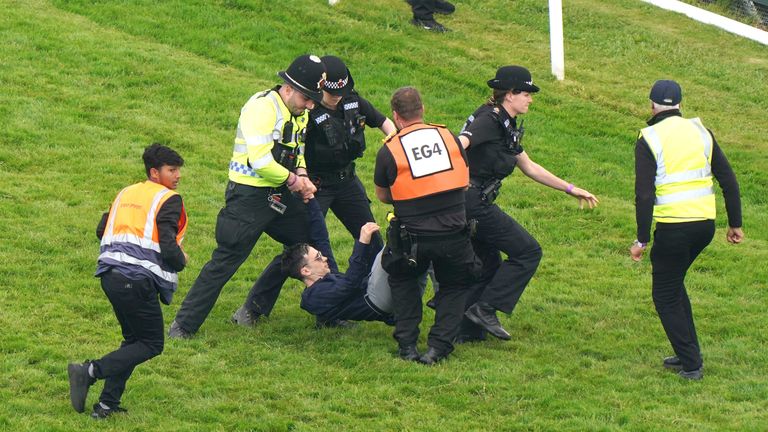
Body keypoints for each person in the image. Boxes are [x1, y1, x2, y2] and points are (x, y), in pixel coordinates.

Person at [168, 55, 323, 338]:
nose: (311, 105)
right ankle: (183, 326)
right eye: (307, 98)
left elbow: (297, 148)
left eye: (314, 100)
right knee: (226, 260)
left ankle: (314, 312)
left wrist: (301, 173)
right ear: (288, 88)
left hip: (279, 193)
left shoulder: (300, 110)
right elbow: (260, 161)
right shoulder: (261, 108)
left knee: (308, 247)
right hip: (248, 198)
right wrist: (295, 181)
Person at [457, 66, 599, 343]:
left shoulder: (504, 123)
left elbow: (529, 167)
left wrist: (570, 189)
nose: (531, 99)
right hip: (472, 202)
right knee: (528, 251)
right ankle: (485, 310)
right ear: (510, 95)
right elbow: (456, 145)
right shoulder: (489, 120)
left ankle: (466, 330)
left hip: (472, 201)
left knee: (488, 265)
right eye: (527, 93)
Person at [630, 79, 743, 380]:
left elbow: (644, 195)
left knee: (664, 295)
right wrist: (735, 224)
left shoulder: (649, 138)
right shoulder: (701, 131)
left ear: (652, 105)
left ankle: (692, 364)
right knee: (674, 284)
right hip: (704, 227)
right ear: (680, 104)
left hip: (674, 229)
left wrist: (641, 239)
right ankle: (686, 354)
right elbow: (729, 181)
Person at [68, 144, 188, 419]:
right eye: (172, 170)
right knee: (151, 344)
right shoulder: (168, 198)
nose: (178, 175)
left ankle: (107, 405)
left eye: (178, 169)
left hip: (110, 276)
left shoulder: (126, 192)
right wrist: (181, 259)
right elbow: (169, 247)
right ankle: (89, 371)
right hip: (137, 281)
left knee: (134, 340)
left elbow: (102, 229)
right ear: (155, 173)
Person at [374, 86, 478, 365]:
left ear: (396, 116)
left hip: (412, 237)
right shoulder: (450, 138)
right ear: (423, 110)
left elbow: (383, 195)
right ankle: (438, 348)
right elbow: (465, 179)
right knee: (454, 286)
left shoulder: (390, 150)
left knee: (405, 282)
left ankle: (407, 345)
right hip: (455, 232)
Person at [303, 55, 395, 265]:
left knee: (372, 239)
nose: (337, 97)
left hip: (347, 182)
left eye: (340, 92)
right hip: (317, 185)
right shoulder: (307, 111)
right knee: (306, 245)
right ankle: (325, 286)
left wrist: (395, 145)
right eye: (331, 93)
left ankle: (375, 287)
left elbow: (383, 122)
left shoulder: (352, 100)